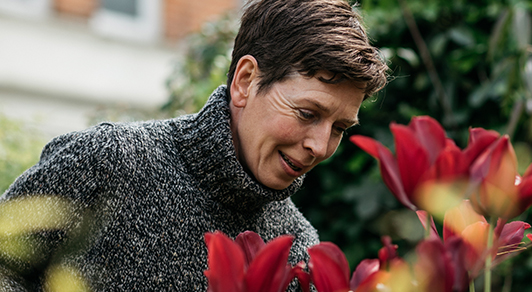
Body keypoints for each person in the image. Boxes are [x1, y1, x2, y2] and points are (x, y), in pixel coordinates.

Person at [0, 0, 388, 290]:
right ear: (246, 81)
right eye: (307, 113)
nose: (320, 147)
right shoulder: (108, 162)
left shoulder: (301, 250)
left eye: (339, 128)